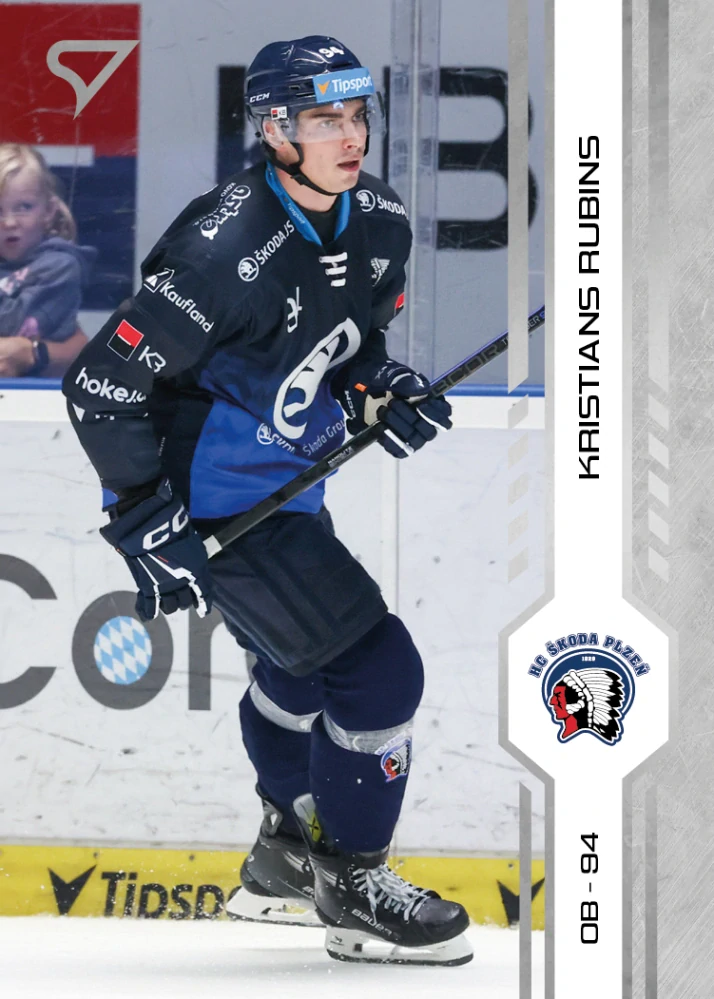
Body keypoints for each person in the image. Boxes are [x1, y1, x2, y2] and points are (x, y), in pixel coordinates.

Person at [62, 37, 471, 966]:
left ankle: (286, 855)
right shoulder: (223, 248)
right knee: (378, 671)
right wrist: (144, 515)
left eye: (358, 115)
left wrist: (379, 387)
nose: (351, 136)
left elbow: (349, 347)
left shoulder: (379, 219)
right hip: (217, 505)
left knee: (298, 672)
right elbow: (102, 386)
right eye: (325, 119)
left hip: (288, 485)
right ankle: (353, 882)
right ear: (274, 129)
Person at [0, 144, 95, 378]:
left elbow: (13, 329)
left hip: (41, 394)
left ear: (49, 211)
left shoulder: (60, 266)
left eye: (24, 207)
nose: (9, 222)